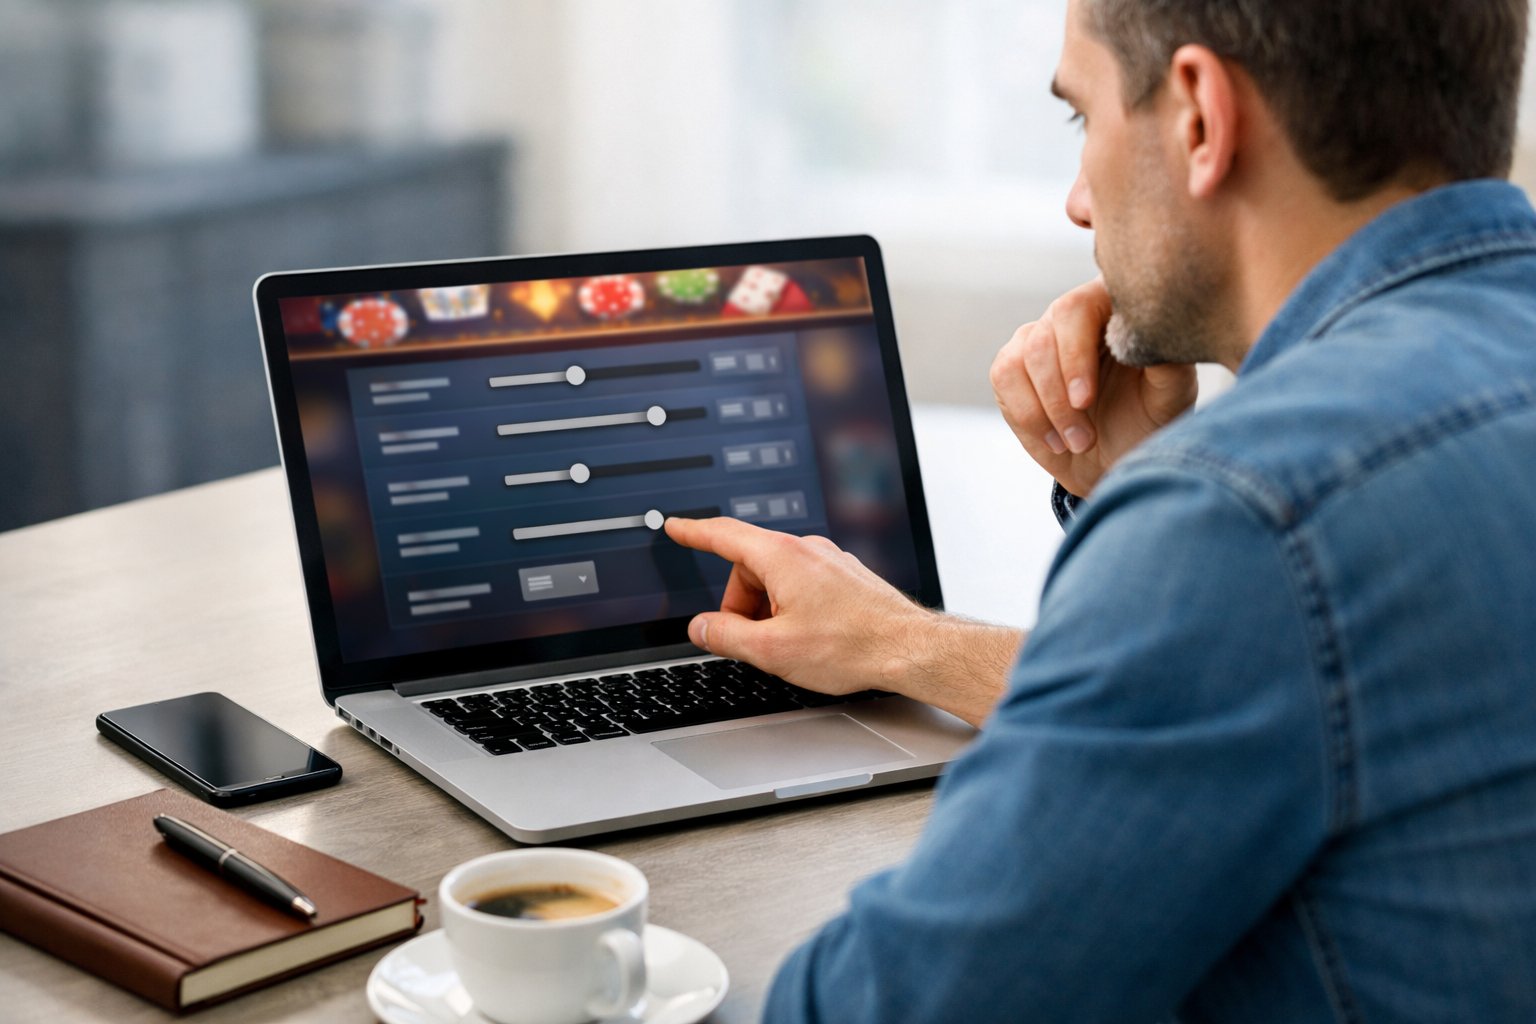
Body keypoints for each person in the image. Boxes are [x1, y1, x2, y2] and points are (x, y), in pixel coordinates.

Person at [664, 0, 1536, 1020]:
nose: (1080, 203)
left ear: (1202, 119)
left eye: (1083, 119)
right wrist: (1139, 489)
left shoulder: (1249, 520)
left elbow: (885, 1004)